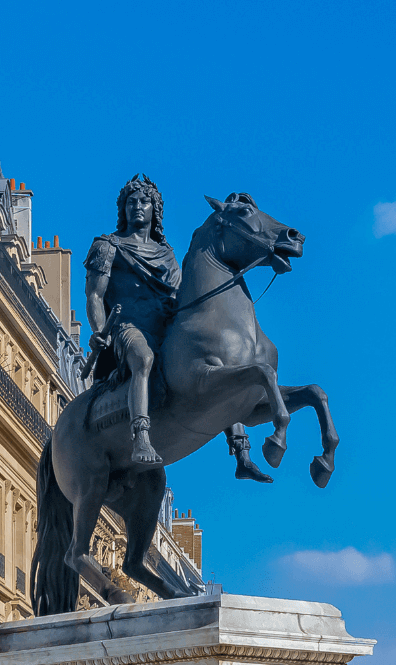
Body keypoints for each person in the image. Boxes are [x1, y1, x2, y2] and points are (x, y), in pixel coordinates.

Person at [85, 174, 271, 480]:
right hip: (129, 325)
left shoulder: (166, 253)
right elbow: (95, 295)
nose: (137, 207)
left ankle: (241, 452)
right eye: (130, 202)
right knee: (144, 358)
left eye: (144, 201)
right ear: (123, 208)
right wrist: (98, 330)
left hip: (165, 320)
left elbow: (176, 291)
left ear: (155, 209)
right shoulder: (108, 246)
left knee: (214, 359)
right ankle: (141, 436)